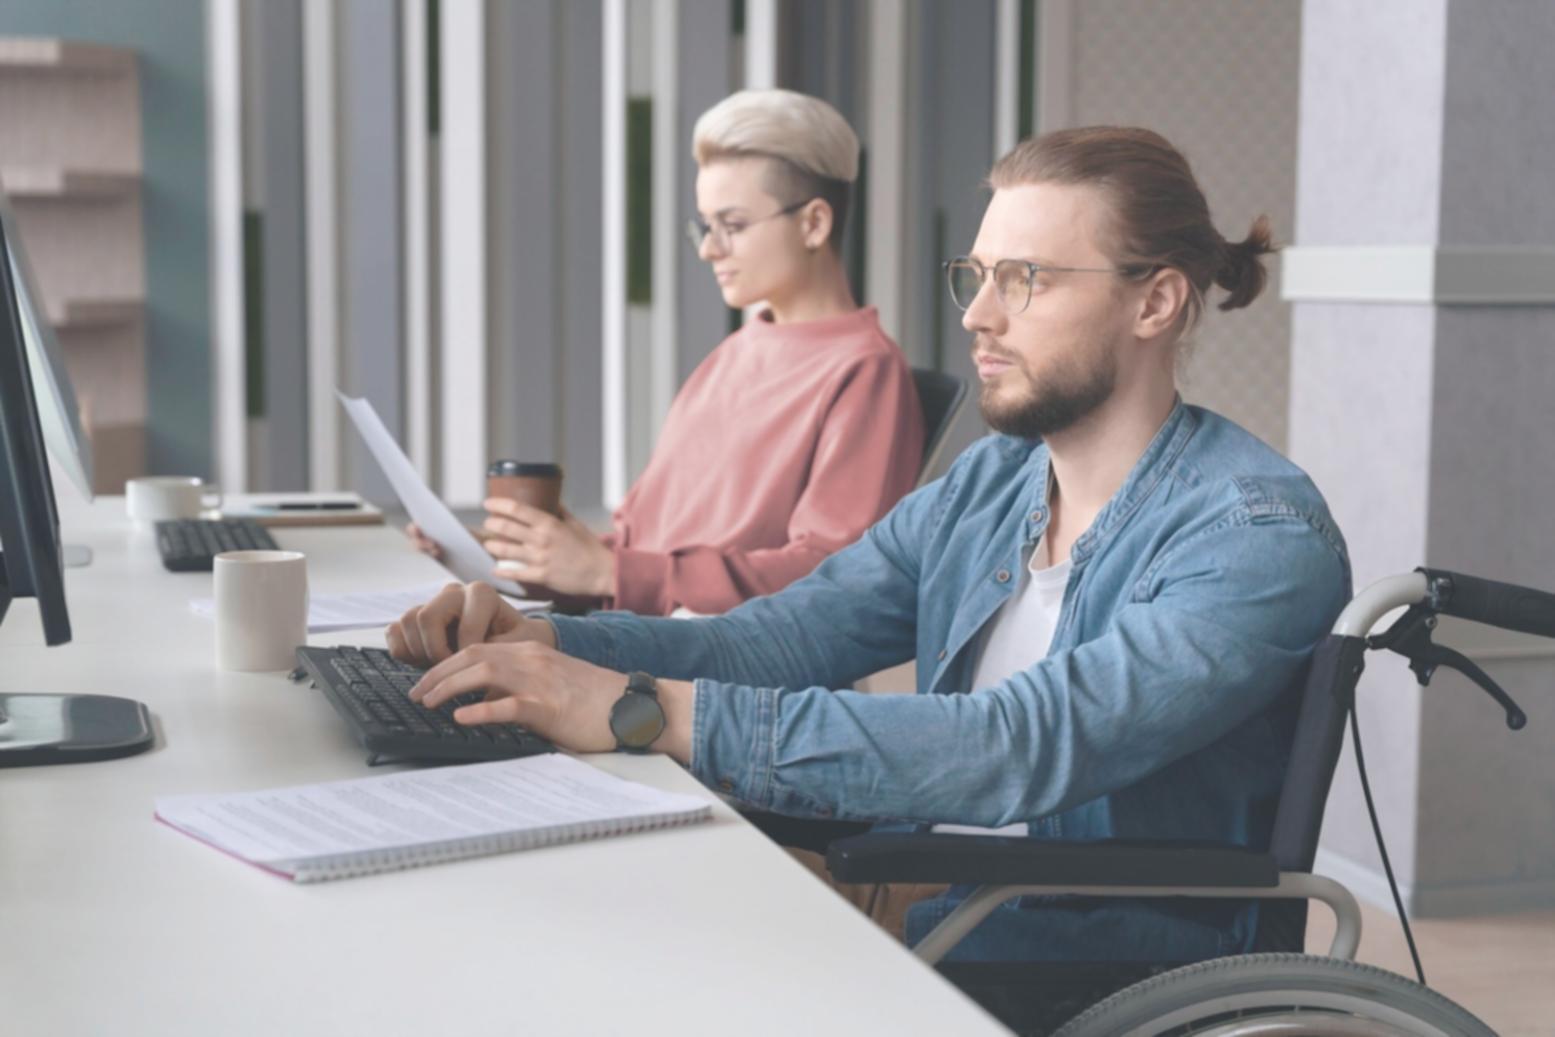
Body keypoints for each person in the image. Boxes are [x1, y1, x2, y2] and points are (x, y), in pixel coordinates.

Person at [387, 126, 1351, 964]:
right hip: (932, 885)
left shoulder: (1257, 534)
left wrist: (640, 711)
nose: (975, 314)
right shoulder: (989, 483)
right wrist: (542, 644)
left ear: (1155, 304)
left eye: (1024, 278)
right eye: (974, 276)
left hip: (1076, 942)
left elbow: (1017, 746)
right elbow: (770, 641)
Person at [410, 88, 924, 615]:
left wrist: (607, 570)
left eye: (734, 225)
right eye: (705, 225)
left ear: (814, 223)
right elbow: (643, 561)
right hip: (630, 648)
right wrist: (525, 559)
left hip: (708, 683)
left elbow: (831, 576)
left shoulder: (865, 372)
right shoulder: (733, 355)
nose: (708, 249)